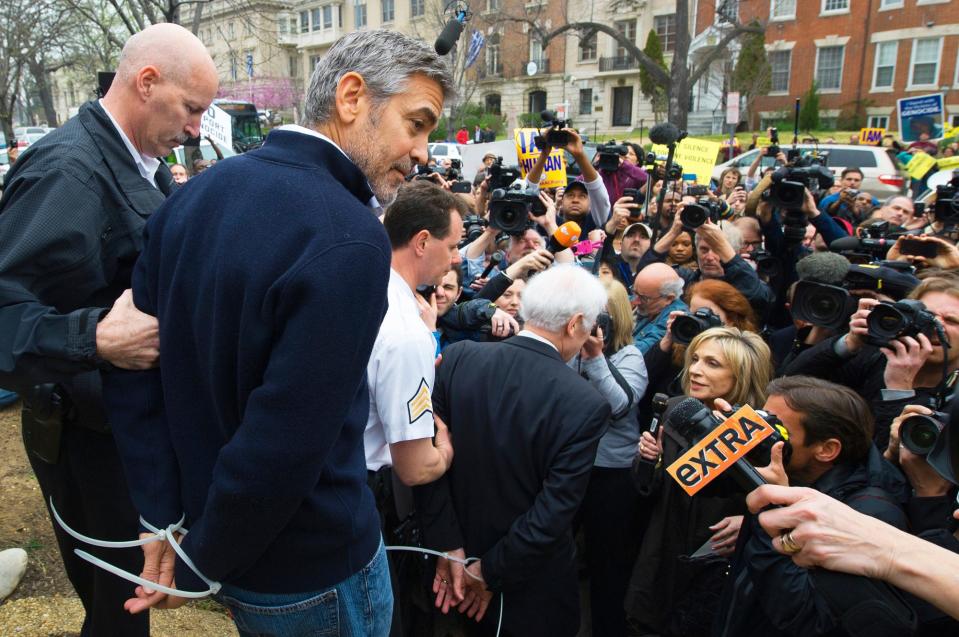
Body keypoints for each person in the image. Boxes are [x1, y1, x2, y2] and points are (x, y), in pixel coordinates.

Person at [104, 29, 454, 634]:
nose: (422, 150)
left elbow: (141, 381)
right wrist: (199, 559)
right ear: (351, 97)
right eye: (416, 123)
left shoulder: (191, 200)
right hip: (310, 568)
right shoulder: (349, 235)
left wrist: (167, 520)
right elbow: (284, 437)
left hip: (230, 546)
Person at [0, 24, 217, 636]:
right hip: (85, 440)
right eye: (192, 108)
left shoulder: (140, 159)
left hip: (125, 434)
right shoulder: (68, 174)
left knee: (134, 600)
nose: (198, 128)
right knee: (118, 611)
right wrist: (94, 337)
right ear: (147, 83)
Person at [414, 265, 611, 637]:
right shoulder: (584, 402)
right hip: (528, 589)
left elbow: (428, 458)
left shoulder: (460, 359)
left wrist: (450, 547)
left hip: (455, 566)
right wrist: (486, 570)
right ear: (576, 324)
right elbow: (555, 509)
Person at [714, 375, 910, 637]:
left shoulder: (869, 516)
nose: (764, 436)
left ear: (826, 449)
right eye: (763, 420)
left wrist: (775, 509)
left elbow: (803, 616)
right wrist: (714, 435)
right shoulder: (787, 474)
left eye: (777, 430)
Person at [366, 180, 466, 636]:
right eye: (454, 245)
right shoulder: (407, 333)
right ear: (422, 241)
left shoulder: (365, 287)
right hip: (373, 500)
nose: (459, 258)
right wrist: (443, 447)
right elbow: (415, 468)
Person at [626, 327, 773, 636]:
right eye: (694, 359)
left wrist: (750, 521)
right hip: (662, 556)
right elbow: (647, 491)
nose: (695, 370)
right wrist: (649, 461)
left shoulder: (760, 432)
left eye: (712, 363)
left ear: (742, 375)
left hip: (717, 567)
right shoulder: (677, 411)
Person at [783, 276, 958, 451]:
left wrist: (898, 392)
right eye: (929, 316)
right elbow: (790, 383)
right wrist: (849, 343)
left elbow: (893, 466)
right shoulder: (879, 357)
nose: (937, 326)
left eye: (952, 321)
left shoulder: (954, 398)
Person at [569, 278, 649, 637]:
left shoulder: (631, 356)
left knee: (608, 562)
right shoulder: (567, 350)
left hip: (611, 474)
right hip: (571, 466)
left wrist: (596, 358)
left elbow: (618, 407)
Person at [632, 262, 688, 354]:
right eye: (634, 292)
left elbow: (637, 352)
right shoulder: (649, 298)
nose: (636, 301)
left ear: (669, 298)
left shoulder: (675, 319)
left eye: (643, 298)